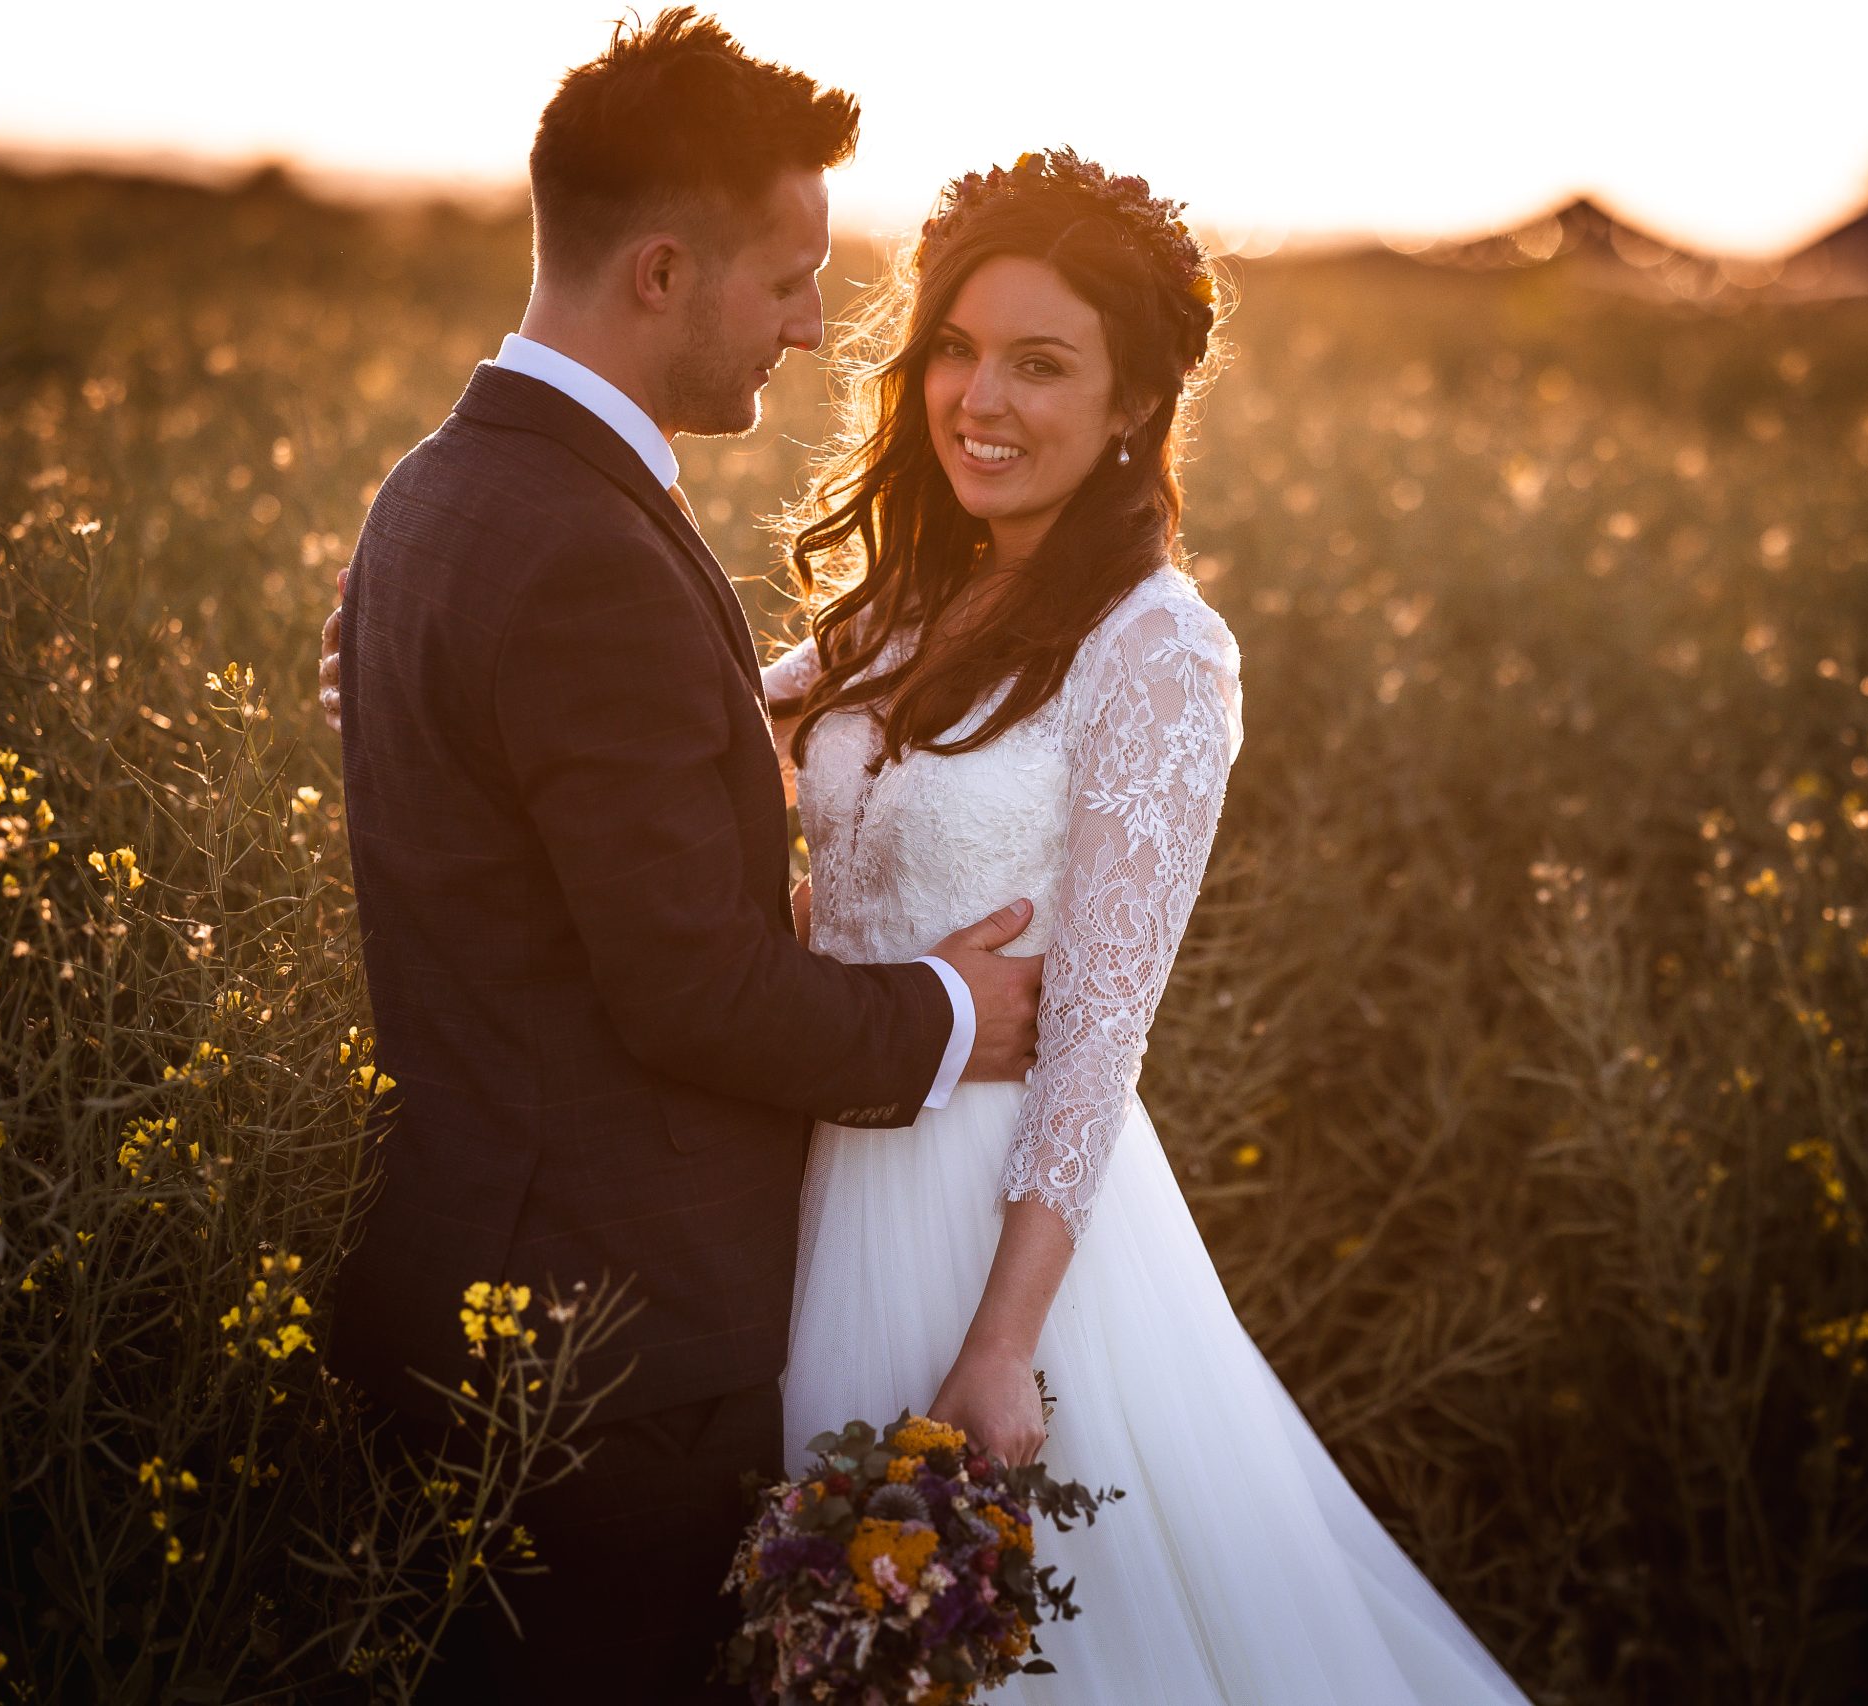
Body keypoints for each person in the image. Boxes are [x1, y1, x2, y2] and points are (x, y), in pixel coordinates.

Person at [315, 13, 1042, 1702]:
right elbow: (686, 991)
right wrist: (950, 1017)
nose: (813, 323)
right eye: (788, 280)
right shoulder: (582, 548)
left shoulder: (436, 488)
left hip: (471, 1286)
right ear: (660, 271)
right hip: (610, 1344)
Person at [761, 148, 1537, 1703]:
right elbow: (684, 750)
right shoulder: (907, 599)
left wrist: (998, 1346)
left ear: (1132, 408)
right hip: (803, 1173)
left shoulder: (1159, 652)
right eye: (959, 350)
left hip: (984, 1221)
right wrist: (438, 675)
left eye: (1042, 365)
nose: (980, 397)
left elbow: (1101, 1034)